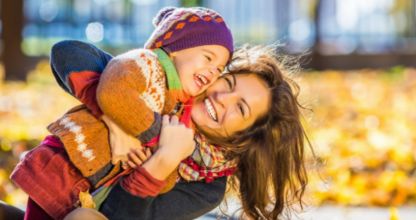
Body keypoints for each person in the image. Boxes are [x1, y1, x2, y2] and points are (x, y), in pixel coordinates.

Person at [11, 6, 233, 220]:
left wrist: (149, 162)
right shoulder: (146, 65)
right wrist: (153, 140)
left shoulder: (182, 115)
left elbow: (166, 181)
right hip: (64, 168)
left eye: (220, 69)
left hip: (90, 194)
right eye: (208, 57)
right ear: (175, 48)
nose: (214, 70)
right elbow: (113, 92)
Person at [52, 43, 314, 220]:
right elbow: (67, 52)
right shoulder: (162, 93)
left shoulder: (207, 187)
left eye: (241, 108)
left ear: (244, 135)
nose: (223, 97)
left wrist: (162, 161)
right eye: (229, 82)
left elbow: (117, 217)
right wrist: (117, 117)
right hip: (52, 190)